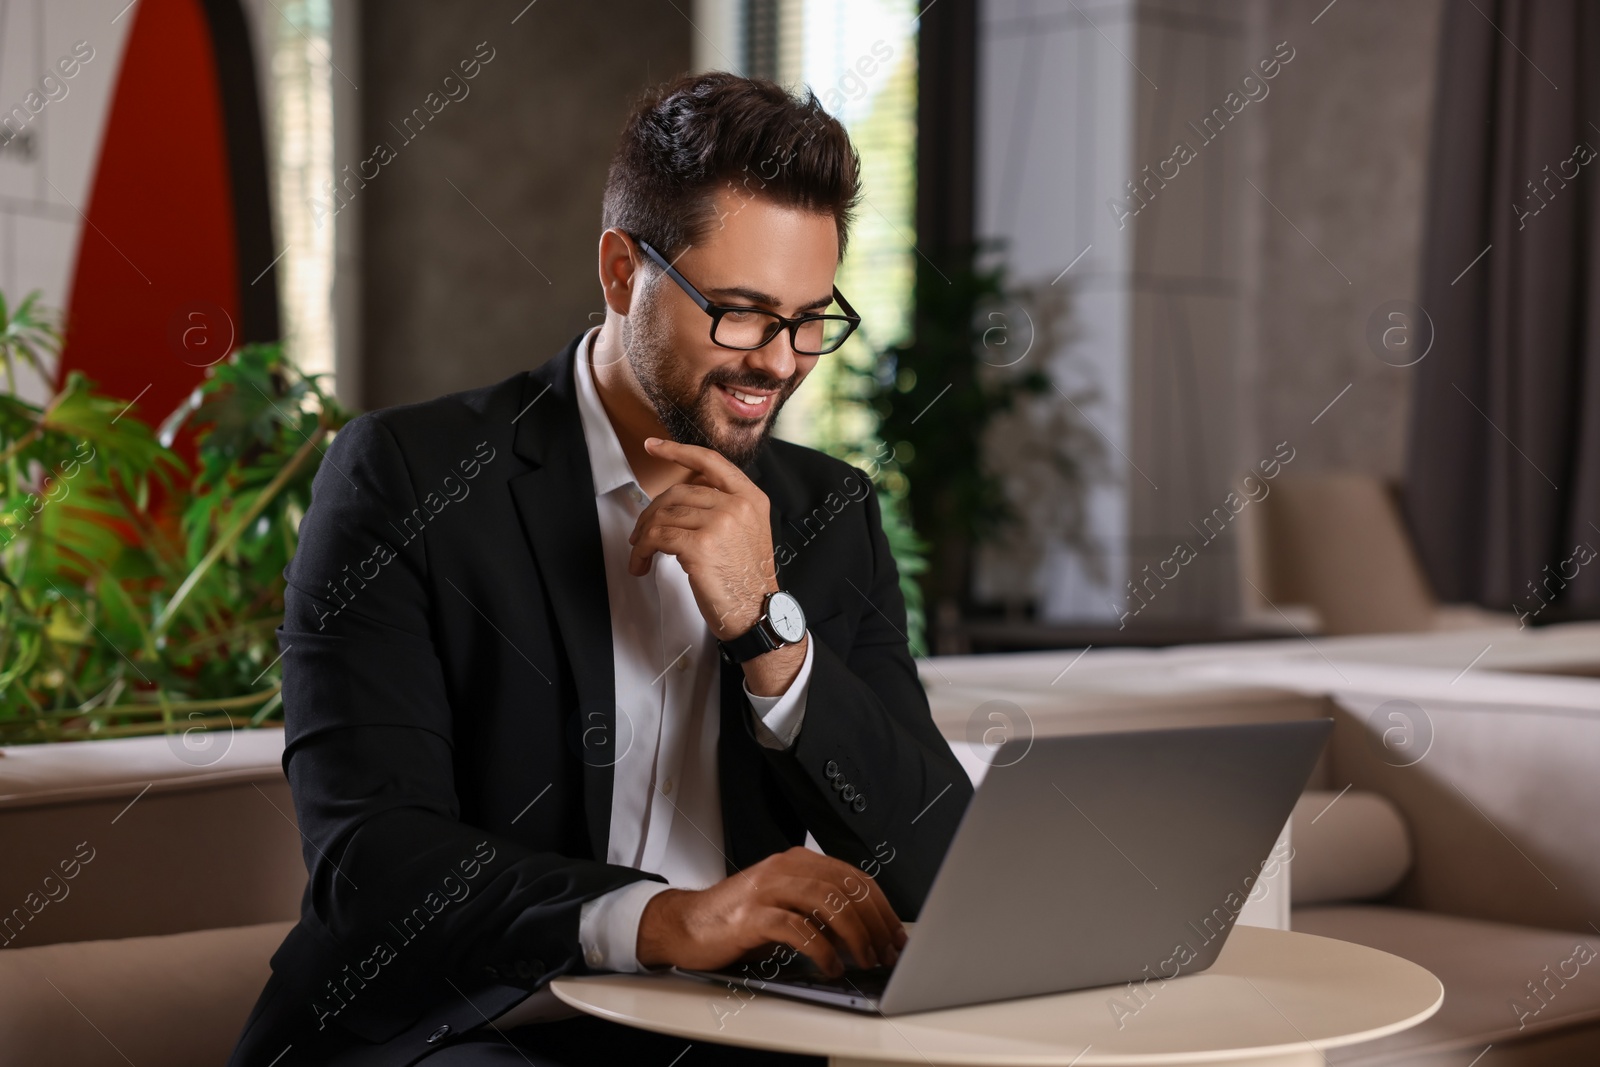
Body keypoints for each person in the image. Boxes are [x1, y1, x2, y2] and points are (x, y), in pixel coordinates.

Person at [227, 71, 972, 1067]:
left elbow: (936, 861)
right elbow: (371, 860)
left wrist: (766, 629)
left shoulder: (827, 512)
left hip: (727, 1042)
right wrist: (661, 918)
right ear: (623, 272)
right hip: (458, 1031)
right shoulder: (410, 477)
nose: (780, 362)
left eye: (807, 320)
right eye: (742, 312)